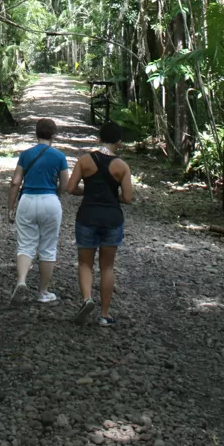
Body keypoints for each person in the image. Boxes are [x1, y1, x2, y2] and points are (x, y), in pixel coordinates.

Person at [67, 120, 133, 325]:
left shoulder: (85, 160)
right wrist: (113, 196)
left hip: (87, 216)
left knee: (85, 263)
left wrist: (87, 191)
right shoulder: (122, 166)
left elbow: (71, 188)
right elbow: (128, 198)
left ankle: (87, 299)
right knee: (107, 267)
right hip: (112, 218)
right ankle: (105, 315)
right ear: (119, 143)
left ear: (99, 138)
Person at [7, 117, 69, 305]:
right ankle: (43, 292)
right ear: (54, 135)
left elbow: (15, 182)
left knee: (25, 245)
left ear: (36, 133)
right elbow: (65, 185)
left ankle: (21, 281)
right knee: (48, 249)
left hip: (27, 201)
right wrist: (55, 194)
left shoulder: (25, 155)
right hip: (50, 201)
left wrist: (10, 207)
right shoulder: (59, 156)